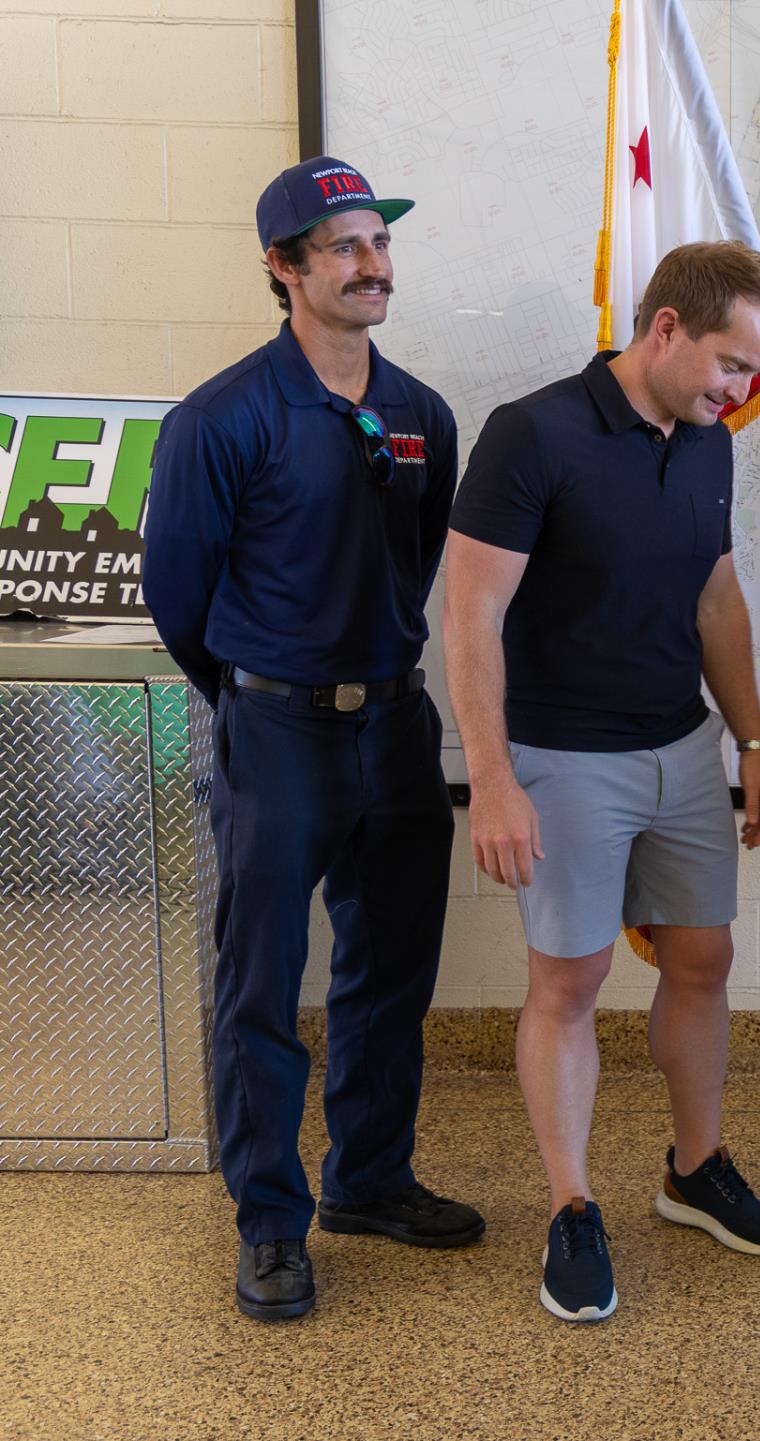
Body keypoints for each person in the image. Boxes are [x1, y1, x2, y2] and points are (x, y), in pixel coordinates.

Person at [145, 156, 483, 1323]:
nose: (372, 264)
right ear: (283, 267)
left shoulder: (422, 414)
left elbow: (419, 563)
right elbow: (178, 596)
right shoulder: (221, 418)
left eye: (379, 242)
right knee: (260, 983)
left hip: (395, 724)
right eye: (344, 246)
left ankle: (369, 1181)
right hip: (276, 728)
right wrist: (254, 696)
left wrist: (371, 675)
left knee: (389, 969)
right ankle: (271, 1223)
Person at [442, 240, 760, 1324]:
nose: (743, 391)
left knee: (703, 957)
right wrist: (492, 779)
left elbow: (717, 600)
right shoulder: (532, 433)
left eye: (757, 372)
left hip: (681, 746)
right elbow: (471, 615)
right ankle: (572, 1206)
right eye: (734, 364)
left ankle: (694, 1169)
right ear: (666, 329)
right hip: (563, 756)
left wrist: (753, 742)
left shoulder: (708, 439)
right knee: (571, 980)